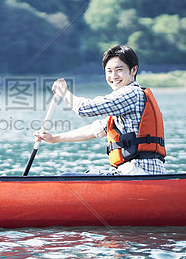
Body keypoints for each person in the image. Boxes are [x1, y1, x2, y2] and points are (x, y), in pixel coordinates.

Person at [34, 45, 166, 175]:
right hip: (133, 171)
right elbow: (93, 130)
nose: (113, 76)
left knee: (67, 178)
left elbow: (83, 109)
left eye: (119, 70)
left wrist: (63, 92)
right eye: (109, 71)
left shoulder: (130, 93)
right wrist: (54, 138)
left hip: (138, 171)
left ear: (133, 70)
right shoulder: (126, 103)